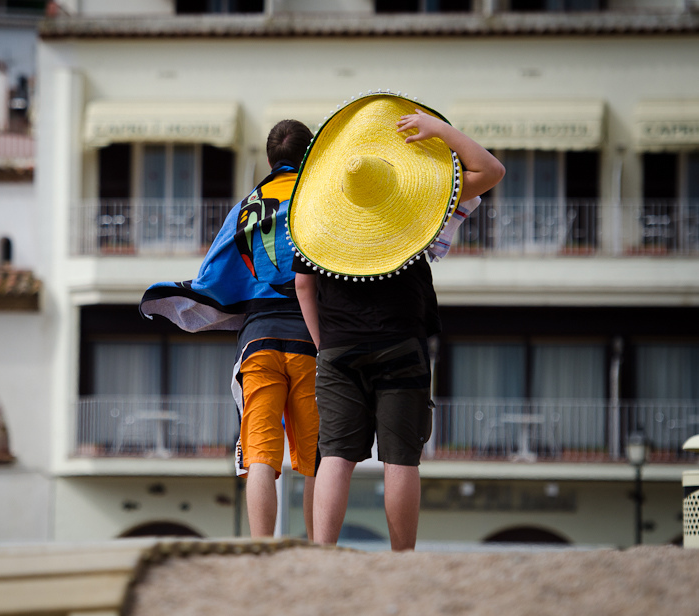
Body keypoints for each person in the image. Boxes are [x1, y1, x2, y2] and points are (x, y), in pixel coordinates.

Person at [289, 94, 505, 550]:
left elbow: (303, 287)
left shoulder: (313, 215)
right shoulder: (421, 201)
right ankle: (402, 558)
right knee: (401, 459)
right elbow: (491, 171)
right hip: (400, 339)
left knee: (336, 457)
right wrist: (441, 131)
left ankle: (323, 553)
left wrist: (322, 343)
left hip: (338, 346)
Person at [140, 120, 319, 539]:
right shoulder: (318, 201)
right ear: (310, 154)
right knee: (318, 459)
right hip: (311, 342)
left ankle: (261, 548)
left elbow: (215, 269)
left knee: (260, 457)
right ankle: (319, 549)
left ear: (271, 159)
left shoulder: (248, 205)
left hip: (257, 342)